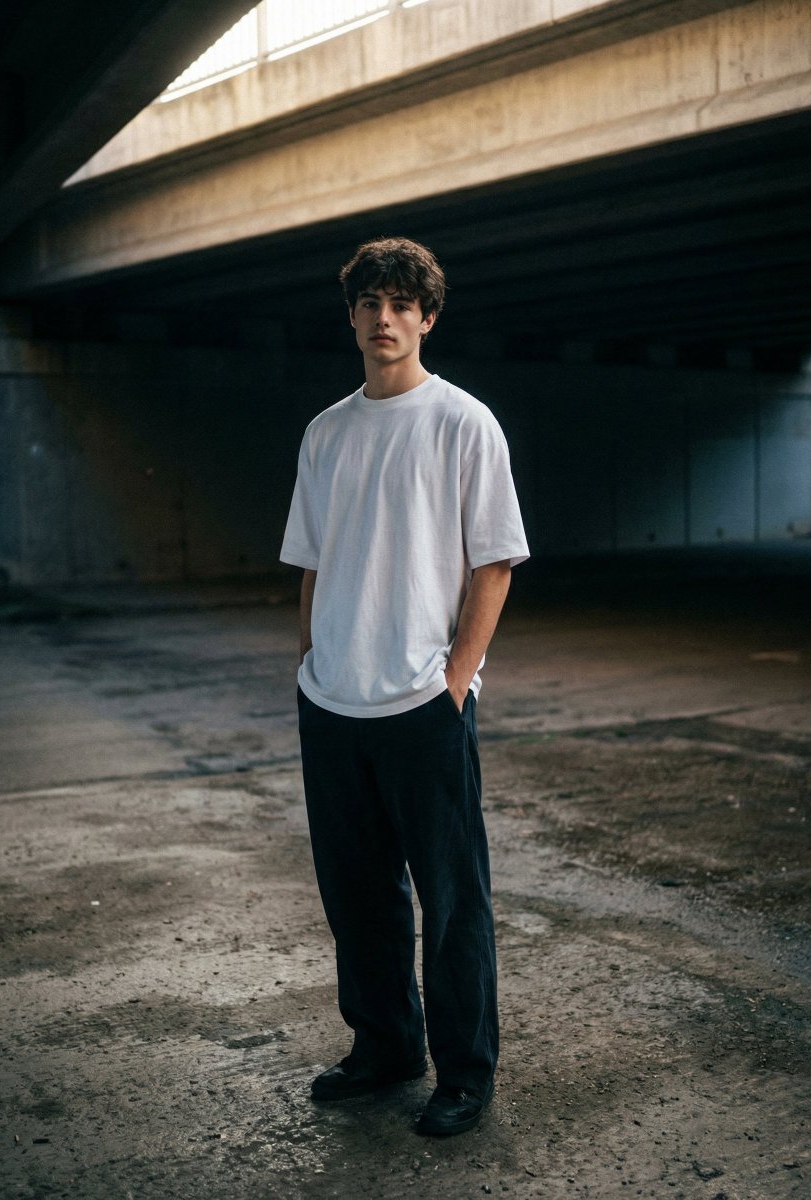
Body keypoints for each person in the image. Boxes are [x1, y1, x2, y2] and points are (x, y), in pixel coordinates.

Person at [280, 236, 529, 1137]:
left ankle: (465, 1073)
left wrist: (454, 684)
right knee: (359, 897)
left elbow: (495, 563)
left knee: (451, 898)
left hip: (424, 705)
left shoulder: (465, 423)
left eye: (401, 304)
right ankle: (385, 1047)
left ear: (426, 317)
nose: (384, 319)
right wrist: (314, 663)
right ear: (351, 316)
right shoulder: (326, 431)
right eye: (369, 303)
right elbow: (310, 563)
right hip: (333, 701)